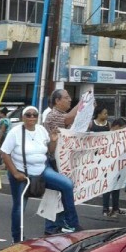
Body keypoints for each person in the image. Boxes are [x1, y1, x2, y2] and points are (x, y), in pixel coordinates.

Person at [1, 106, 80, 242]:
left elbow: (49, 151)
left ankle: (72, 224)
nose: (31, 117)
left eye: (34, 115)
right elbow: (4, 153)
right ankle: (17, 238)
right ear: (23, 117)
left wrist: (54, 141)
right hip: (22, 174)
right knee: (19, 208)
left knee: (67, 185)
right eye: (28, 115)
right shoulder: (15, 132)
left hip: (42, 170)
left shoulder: (41, 130)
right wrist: (15, 173)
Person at [43, 89, 81, 234]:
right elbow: (68, 120)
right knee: (59, 191)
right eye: (66, 97)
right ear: (57, 101)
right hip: (55, 162)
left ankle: (54, 226)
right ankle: (67, 223)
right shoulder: (53, 116)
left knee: (58, 194)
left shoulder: (63, 114)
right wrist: (83, 104)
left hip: (65, 161)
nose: (70, 99)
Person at [88, 104, 113, 216]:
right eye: (105, 113)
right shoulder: (91, 124)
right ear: (98, 114)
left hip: (106, 157)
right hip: (93, 157)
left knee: (106, 182)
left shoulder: (109, 125)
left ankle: (106, 208)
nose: (106, 115)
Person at [101, 118, 126, 217]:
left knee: (117, 187)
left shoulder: (121, 136)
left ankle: (115, 208)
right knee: (108, 187)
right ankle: (105, 209)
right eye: (122, 128)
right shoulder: (107, 136)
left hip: (118, 165)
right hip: (108, 165)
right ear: (116, 126)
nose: (124, 130)